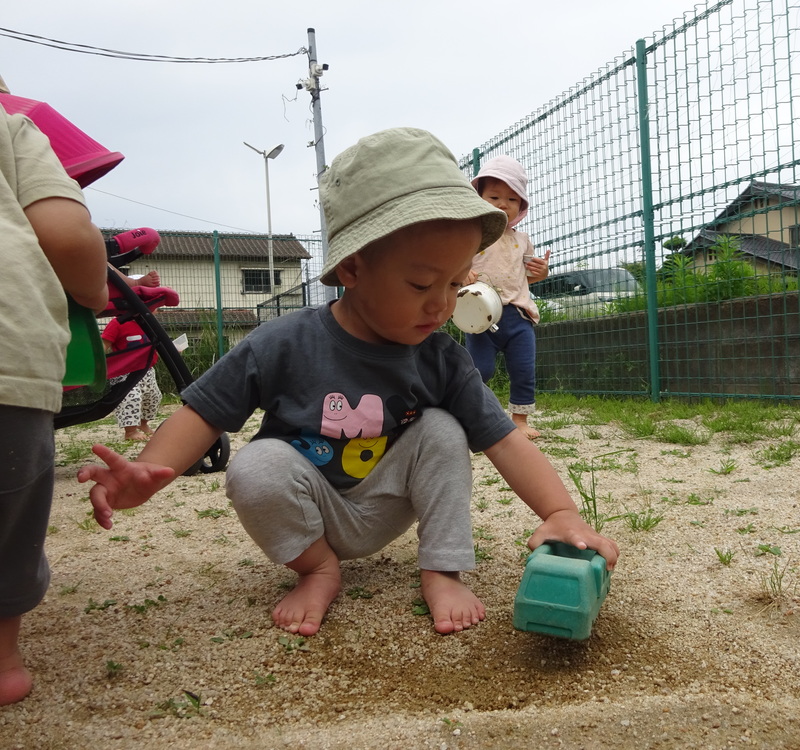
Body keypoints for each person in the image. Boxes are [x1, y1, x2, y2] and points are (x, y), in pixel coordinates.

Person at [77, 127, 619, 639]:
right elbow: (203, 413)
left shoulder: (441, 357)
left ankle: (443, 569)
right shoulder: (284, 343)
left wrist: (560, 512)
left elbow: (504, 439)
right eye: (422, 283)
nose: (442, 304)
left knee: (442, 428)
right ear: (354, 269)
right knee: (255, 465)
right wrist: (151, 469)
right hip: (307, 508)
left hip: (387, 499)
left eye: (456, 284)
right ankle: (317, 569)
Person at [0, 105, 109, 705]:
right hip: (6, 355)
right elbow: (66, 234)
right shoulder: (11, 126)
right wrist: (93, 289)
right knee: (8, 515)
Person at [464, 156, 550, 440]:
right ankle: (475, 415)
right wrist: (462, 272)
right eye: (494, 196)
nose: (503, 204)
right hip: (480, 314)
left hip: (518, 315)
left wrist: (542, 272)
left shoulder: (522, 239)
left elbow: (526, 277)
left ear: (521, 206)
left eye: (512, 199)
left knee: (523, 369)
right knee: (480, 370)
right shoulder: (471, 235)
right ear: (478, 197)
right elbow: (455, 267)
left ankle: (520, 420)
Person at [101, 314, 163, 440]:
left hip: (146, 369)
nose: (156, 309)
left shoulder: (149, 323)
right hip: (124, 370)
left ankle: (142, 424)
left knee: (153, 397)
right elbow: (104, 345)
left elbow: (156, 344)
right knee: (131, 397)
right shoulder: (117, 323)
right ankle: (130, 431)